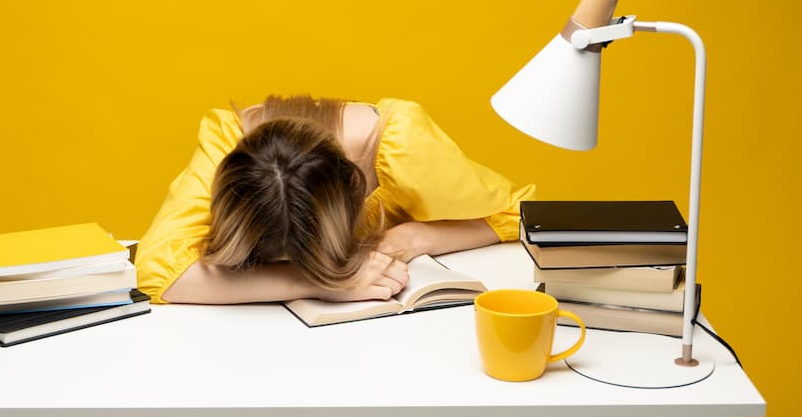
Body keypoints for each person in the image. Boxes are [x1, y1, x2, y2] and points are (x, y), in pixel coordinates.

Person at [134, 95, 535, 304]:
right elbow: (158, 274)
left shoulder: (403, 146)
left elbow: (519, 213)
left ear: (354, 187)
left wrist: (418, 237)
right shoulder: (225, 143)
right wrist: (326, 283)